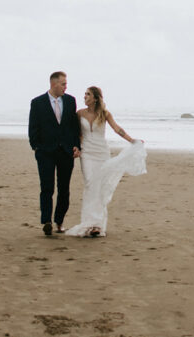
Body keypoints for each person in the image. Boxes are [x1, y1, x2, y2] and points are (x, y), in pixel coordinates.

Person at [65, 86, 146, 238]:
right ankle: (89, 222)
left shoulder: (105, 114)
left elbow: (117, 129)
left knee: (100, 187)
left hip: (101, 152)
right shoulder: (79, 113)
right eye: (84, 94)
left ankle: (97, 225)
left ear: (95, 98)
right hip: (87, 153)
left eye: (88, 94)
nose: (85, 97)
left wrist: (132, 140)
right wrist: (75, 147)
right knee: (90, 184)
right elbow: (77, 133)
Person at [28, 71, 81, 237]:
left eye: (66, 84)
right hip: (46, 152)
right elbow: (33, 127)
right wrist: (36, 147)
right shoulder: (38, 102)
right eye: (63, 84)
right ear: (53, 84)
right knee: (47, 188)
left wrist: (76, 146)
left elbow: (74, 127)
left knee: (64, 189)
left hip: (66, 151)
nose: (66, 87)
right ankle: (47, 222)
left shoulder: (70, 100)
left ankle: (59, 221)